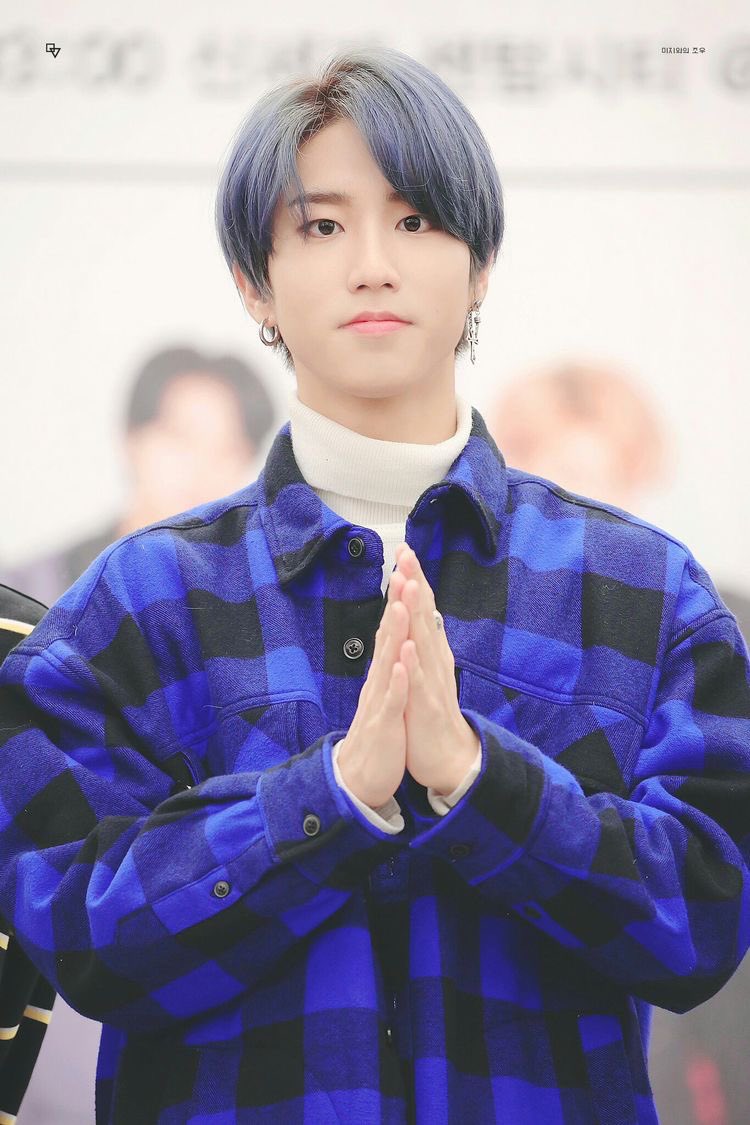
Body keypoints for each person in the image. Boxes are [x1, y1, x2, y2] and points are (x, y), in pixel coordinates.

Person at [0, 45, 748, 1125]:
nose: (372, 264)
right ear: (254, 281)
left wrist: (481, 779)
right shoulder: (139, 601)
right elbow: (80, 938)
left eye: (415, 219)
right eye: (320, 226)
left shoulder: (641, 589)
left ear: (480, 265)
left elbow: (702, 925)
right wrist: (330, 796)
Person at [487, 360, 750, 1124]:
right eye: (557, 482)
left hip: (694, 998)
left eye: (604, 481)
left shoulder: (716, 625)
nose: (586, 513)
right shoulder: (465, 638)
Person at [3, 345, 276, 607]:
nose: (203, 468)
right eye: (181, 436)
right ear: (131, 439)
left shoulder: (269, 600)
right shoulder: (29, 593)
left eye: (229, 450)